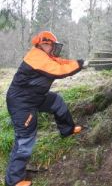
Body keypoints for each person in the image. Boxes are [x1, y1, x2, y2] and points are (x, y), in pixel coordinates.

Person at [5, 31, 89, 186]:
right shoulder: (36, 57)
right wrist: (78, 65)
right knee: (25, 139)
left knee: (57, 101)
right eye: (52, 46)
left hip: (35, 96)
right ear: (44, 44)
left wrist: (78, 62)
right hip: (22, 103)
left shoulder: (45, 57)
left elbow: (61, 63)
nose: (54, 49)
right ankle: (14, 181)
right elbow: (58, 71)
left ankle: (67, 129)